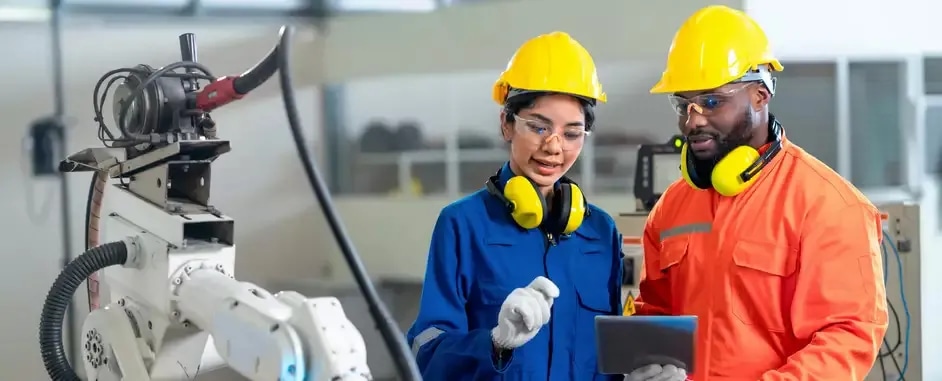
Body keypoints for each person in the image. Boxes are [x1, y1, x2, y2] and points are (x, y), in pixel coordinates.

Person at [630, 5, 889, 381]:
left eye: (712, 101)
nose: (693, 120)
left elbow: (847, 337)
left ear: (760, 95)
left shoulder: (830, 205)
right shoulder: (672, 208)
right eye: (683, 104)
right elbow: (655, 314)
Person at [407, 31, 630, 381]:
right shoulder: (463, 225)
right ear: (506, 124)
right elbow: (425, 353)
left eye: (572, 133)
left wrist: (640, 371)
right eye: (539, 128)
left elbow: (610, 358)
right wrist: (496, 343)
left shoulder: (601, 232)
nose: (554, 147)